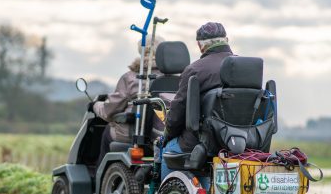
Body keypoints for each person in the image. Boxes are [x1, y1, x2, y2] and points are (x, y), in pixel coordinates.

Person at [161, 22, 234, 183]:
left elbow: (177, 113)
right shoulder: (245, 67)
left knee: (167, 149)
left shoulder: (195, 69)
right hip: (237, 145)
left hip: (200, 143)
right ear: (226, 40)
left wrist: (167, 135)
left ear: (200, 46)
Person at [93, 36, 165, 166]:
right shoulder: (176, 78)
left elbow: (110, 110)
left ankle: (101, 177)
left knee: (107, 132)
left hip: (135, 136)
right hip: (164, 136)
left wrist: (95, 106)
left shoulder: (130, 77)